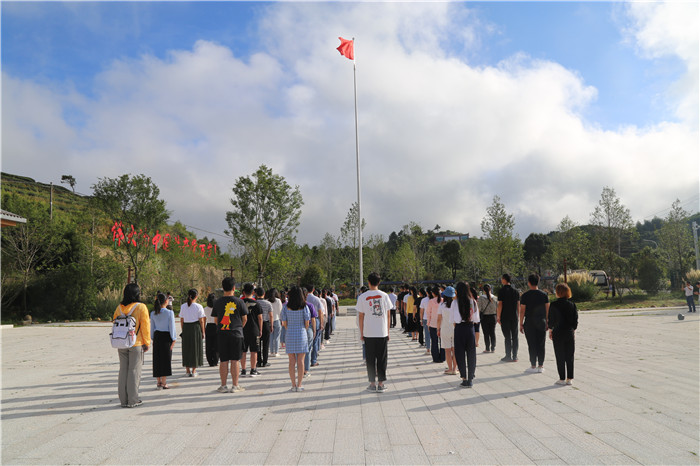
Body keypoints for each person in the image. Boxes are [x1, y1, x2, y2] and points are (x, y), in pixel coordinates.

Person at [114, 283, 151, 408]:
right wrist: (147, 342)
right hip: (136, 343)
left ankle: (123, 400)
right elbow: (145, 326)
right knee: (134, 371)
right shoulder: (141, 307)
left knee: (123, 370)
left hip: (122, 342)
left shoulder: (119, 308)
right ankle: (133, 400)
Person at [211, 276, 248, 393]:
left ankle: (223, 386)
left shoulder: (217, 302)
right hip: (236, 333)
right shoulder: (240, 301)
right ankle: (235, 385)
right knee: (235, 360)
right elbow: (245, 319)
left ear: (223, 288)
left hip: (222, 334)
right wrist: (239, 327)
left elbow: (216, 320)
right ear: (234, 288)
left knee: (223, 360)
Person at [357, 272, 392, 392]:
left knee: (370, 359)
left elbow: (361, 316)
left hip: (368, 332)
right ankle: (381, 384)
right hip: (382, 332)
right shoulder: (384, 295)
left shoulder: (362, 297)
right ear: (379, 282)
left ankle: (372, 384)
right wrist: (388, 331)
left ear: (368, 282)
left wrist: (361, 332)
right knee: (382, 358)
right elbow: (388, 315)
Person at [281, 286, 310, 391]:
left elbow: (284, 323)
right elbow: (307, 323)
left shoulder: (285, 307)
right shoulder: (304, 307)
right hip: (301, 334)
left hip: (290, 334)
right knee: (301, 360)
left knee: (291, 361)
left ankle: (293, 385)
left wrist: (289, 328)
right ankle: (300, 384)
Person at [548, 283, 578, 386]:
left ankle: (561, 378)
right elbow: (575, 320)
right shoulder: (572, 305)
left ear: (558, 292)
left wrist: (550, 330)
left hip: (558, 332)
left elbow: (551, 320)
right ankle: (569, 378)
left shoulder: (553, 305)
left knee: (559, 355)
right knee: (570, 356)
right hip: (569, 332)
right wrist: (573, 330)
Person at [520, 274, 550, 373]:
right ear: (538, 282)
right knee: (541, 343)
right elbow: (547, 309)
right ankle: (541, 366)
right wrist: (547, 321)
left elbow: (522, 310)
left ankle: (533, 365)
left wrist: (521, 323)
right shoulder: (544, 295)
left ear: (529, 283)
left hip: (529, 321)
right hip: (541, 321)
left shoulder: (525, 295)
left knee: (531, 343)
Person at [151, 292, 177, 389]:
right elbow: (172, 327)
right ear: (166, 301)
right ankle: (164, 382)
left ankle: (158, 382)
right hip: (166, 337)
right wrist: (174, 339)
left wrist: (153, 338)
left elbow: (152, 328)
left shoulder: (153, 313)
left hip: (157, 336)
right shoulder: (169, 313)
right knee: (165, 359)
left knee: (157, 359)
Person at [453, 282, 476, 388]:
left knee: (460, 353)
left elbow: (453, 319)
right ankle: (470, 378)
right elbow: (476, 318)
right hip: (470, 328)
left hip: (459, 328)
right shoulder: (473, 301)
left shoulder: (455, 302)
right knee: (471, 353)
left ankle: (464, 378)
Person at [179, 288, 205, 377]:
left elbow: (181, 320)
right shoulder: (199, 306)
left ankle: (187, 370)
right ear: (196, 296)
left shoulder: (183, 306)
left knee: (186, 348)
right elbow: (201, 321)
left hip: (186, 327)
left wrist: (183, 330)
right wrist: (203, 331)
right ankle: (194, 371)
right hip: (195, 327)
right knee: (195, 348)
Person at [240, 283, 262, 377]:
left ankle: (243, 370)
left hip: (242, 329)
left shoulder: (240, 303)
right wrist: (260, 330)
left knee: (243, 351)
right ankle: (253, 369)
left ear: (243, 292)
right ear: (253, 292)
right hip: (254, 329)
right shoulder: (257, 303)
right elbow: (260, 318)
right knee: (254, 350)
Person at [497, 274, 520, 362]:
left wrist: (498, 316)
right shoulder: (516, 291)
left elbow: (500, 305)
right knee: (515, 337)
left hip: (505, 317)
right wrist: (518, 315)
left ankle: (508, 356)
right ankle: (515, 356)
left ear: (504, 280)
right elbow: (518, 305)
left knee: (507, 337)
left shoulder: (501, 291)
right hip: (514, 316)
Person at [437, 286, 457, 375]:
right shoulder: (456, 305)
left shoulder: (442, 305)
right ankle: (455, 369)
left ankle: (450, 369)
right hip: (455, 329)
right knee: (455, 350)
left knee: (447, 350)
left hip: (445, 329)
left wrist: (438, 329)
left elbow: (439, 319)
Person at [306, 284, 324, 367]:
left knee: (307, 342)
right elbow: (320, 312)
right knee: (315, 341)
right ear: (313, 290)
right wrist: (321, 323)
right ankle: (313, 361)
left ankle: (306, 360)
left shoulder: (304, 299)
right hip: (315, 320)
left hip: (305, 321)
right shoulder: (316, 299)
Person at [255, 287, 273, 368]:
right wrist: (271, 325)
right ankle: (265, 361)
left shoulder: (255, 303)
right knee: (266, 344)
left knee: (257, 344)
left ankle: (259, 361)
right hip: (266, 324)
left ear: (256, 294)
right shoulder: (268, 303)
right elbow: (271, 315)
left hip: (256, 325)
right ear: (264, 294)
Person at [478, 284, 497, 353]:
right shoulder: (495, 298)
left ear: (483, 290)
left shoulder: (481, 298)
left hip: (484, 317)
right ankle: (493, 348)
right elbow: (497, 308)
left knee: (486, 333)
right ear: (490, 289)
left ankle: (487, 348)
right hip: (493, 316)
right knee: (492, 332)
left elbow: (479, 308)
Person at [427, 286, 442, 363]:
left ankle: (436, 358)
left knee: (434, 342)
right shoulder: (443, 300)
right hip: (442, 324)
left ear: (432, 293)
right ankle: (442, 357)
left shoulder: (431, 301)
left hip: (433, 324)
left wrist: (428, 323)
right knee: (442, 342)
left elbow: (428, 313)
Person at [203, 293, 218, 367]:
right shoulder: (217, 308)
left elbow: (204, 320)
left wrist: (203, 330)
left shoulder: (205, 309)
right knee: (216, 344)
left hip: (208, 326)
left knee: (208, 345)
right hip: (216, 326)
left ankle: (210, 361)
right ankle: (215, 360)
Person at [267, 288, 283, 357]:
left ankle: (271, 352)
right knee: (277, 337)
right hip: (277, 320)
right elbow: (281, 312)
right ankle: (276, 352)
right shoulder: (278, 301)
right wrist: (282, 320)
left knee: (271, 337)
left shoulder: (267, 301)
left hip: (269, 321)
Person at [419, 288, 431, 355]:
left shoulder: (424, 300)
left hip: (426, 318)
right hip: (434, 319)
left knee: (427, 334)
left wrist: (421, 319)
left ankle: (428, 349)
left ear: (427, 292)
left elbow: (421, 311)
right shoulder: (437, 300)